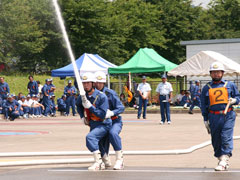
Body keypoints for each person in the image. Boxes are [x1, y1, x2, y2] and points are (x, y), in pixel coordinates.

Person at [200, 62, 240, 171]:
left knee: (226, 136)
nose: (216, 74)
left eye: (218, 72)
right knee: (216, 139)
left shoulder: (230, 85)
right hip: (213, 116)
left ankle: (225, 159)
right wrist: (205, 119)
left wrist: (235, 100)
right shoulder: (206, 88)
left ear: (222, 73)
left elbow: (238, 97)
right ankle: (221, 158)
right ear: (210, 74)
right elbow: (203, 105)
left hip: (228, 115)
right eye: (214, 72)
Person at [76, 72, 112, 171]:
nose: (85, 85)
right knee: (98, 143)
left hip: (104, 123)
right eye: (84, 83)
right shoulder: (82, 96)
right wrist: (83, 117)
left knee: (90, 138)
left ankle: (98, 162)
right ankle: (105, 160)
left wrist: (90, 107)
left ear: (93, 83)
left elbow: (102, 114)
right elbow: (78, 105)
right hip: (93, 123)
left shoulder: (101, 96)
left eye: (88, 83)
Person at [94, 71, 125, 170]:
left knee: (113, 133)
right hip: (101, 122)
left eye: (100, 82)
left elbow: (121, 107)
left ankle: (119, 160)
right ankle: (104, 158)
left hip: (114, 120)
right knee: (97, 137)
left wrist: (111, 113)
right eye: (96, 83)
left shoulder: (110, 93)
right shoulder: (93, 94)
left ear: (104, 83)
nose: (98, 85)